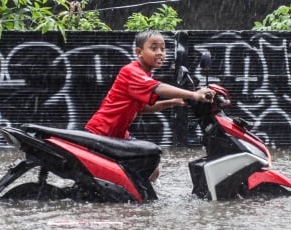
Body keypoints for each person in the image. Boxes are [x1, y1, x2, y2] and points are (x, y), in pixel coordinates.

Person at [84, 30, 214, 181]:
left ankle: (137, 201)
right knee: (139, 166)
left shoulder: (145, 74)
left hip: (118, 135)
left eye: (163, 49)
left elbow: (142, 108)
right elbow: (157, 87)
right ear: (139, 52)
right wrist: (193, 94)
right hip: (101, 133)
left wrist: (172, 102)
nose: (160, 53)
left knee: (151, 167)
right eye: (154, 48)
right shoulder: (131, 72)